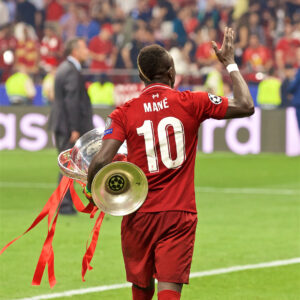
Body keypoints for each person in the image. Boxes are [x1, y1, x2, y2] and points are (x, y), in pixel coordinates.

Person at [86, 27, 254, 300]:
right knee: (169, 289)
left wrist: (94, 194)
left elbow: (102, 159)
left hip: (138, 214)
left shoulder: (124, 113)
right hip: (178, 214)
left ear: (142, 76)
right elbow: (246, 105)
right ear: (172, 72)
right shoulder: (192, 101)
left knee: (141, 289)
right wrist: (230, 63)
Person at [49, 37, 94, 215]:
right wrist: (75, 127)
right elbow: (71, 101)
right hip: (69, 126)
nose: (87, 51)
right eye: (84, 48)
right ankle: (65, 204)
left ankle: (65, 202)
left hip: (64, 123)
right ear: (75, 51)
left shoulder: (66, 68)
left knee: (69, 164)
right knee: (67, 165)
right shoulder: (70, 71)